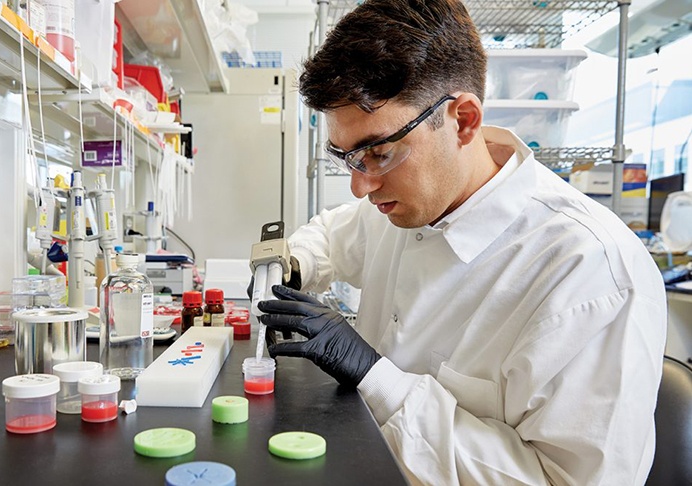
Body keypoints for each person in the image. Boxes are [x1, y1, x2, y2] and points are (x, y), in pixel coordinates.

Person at [255, 0, 668, 484]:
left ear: (464, 120)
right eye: (346, 157)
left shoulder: (588, 272)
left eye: (380, 153)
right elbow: (331, 234)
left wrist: (376, 378)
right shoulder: (403, 207)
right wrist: (294, 266)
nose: (360, 186)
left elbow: (562, 479)